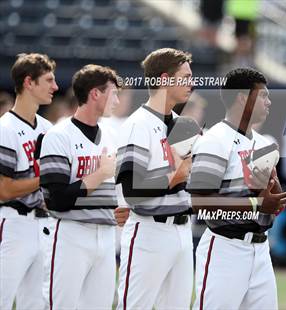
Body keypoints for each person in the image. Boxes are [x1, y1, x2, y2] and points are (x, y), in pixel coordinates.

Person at [187, 68, 286, 310]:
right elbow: (200, 203)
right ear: (243, 98)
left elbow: (272, 200)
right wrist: (256, 203)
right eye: (263, 95)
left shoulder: (264, 143)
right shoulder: (214, 140)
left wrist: (272, 193)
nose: (269, 101)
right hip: (226, 248)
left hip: (261, 249)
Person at [115, 48, 194, 310]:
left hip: (183, 230)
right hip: (149, 230)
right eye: (185, 76)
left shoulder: (185, 125)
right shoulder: (137, 124)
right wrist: (176, 175)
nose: (191, 83)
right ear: (164, 79)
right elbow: (132, 191)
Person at [40, 64, 120, 309]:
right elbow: (57, 200)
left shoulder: (110, 134)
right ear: (95, 94)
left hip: (106, 235)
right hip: (70, 233)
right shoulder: (59, 135)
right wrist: (100, 174)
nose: (117, 101)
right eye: (113, 93)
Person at [0, 53, 58, 310]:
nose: (55, 87)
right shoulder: (5, 128)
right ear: (28, 83)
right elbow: (4, 190)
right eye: (48, 80)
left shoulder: (47, 128)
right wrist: (46, 178)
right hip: (13, 224)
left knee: (36, 305)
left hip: (44, 226)